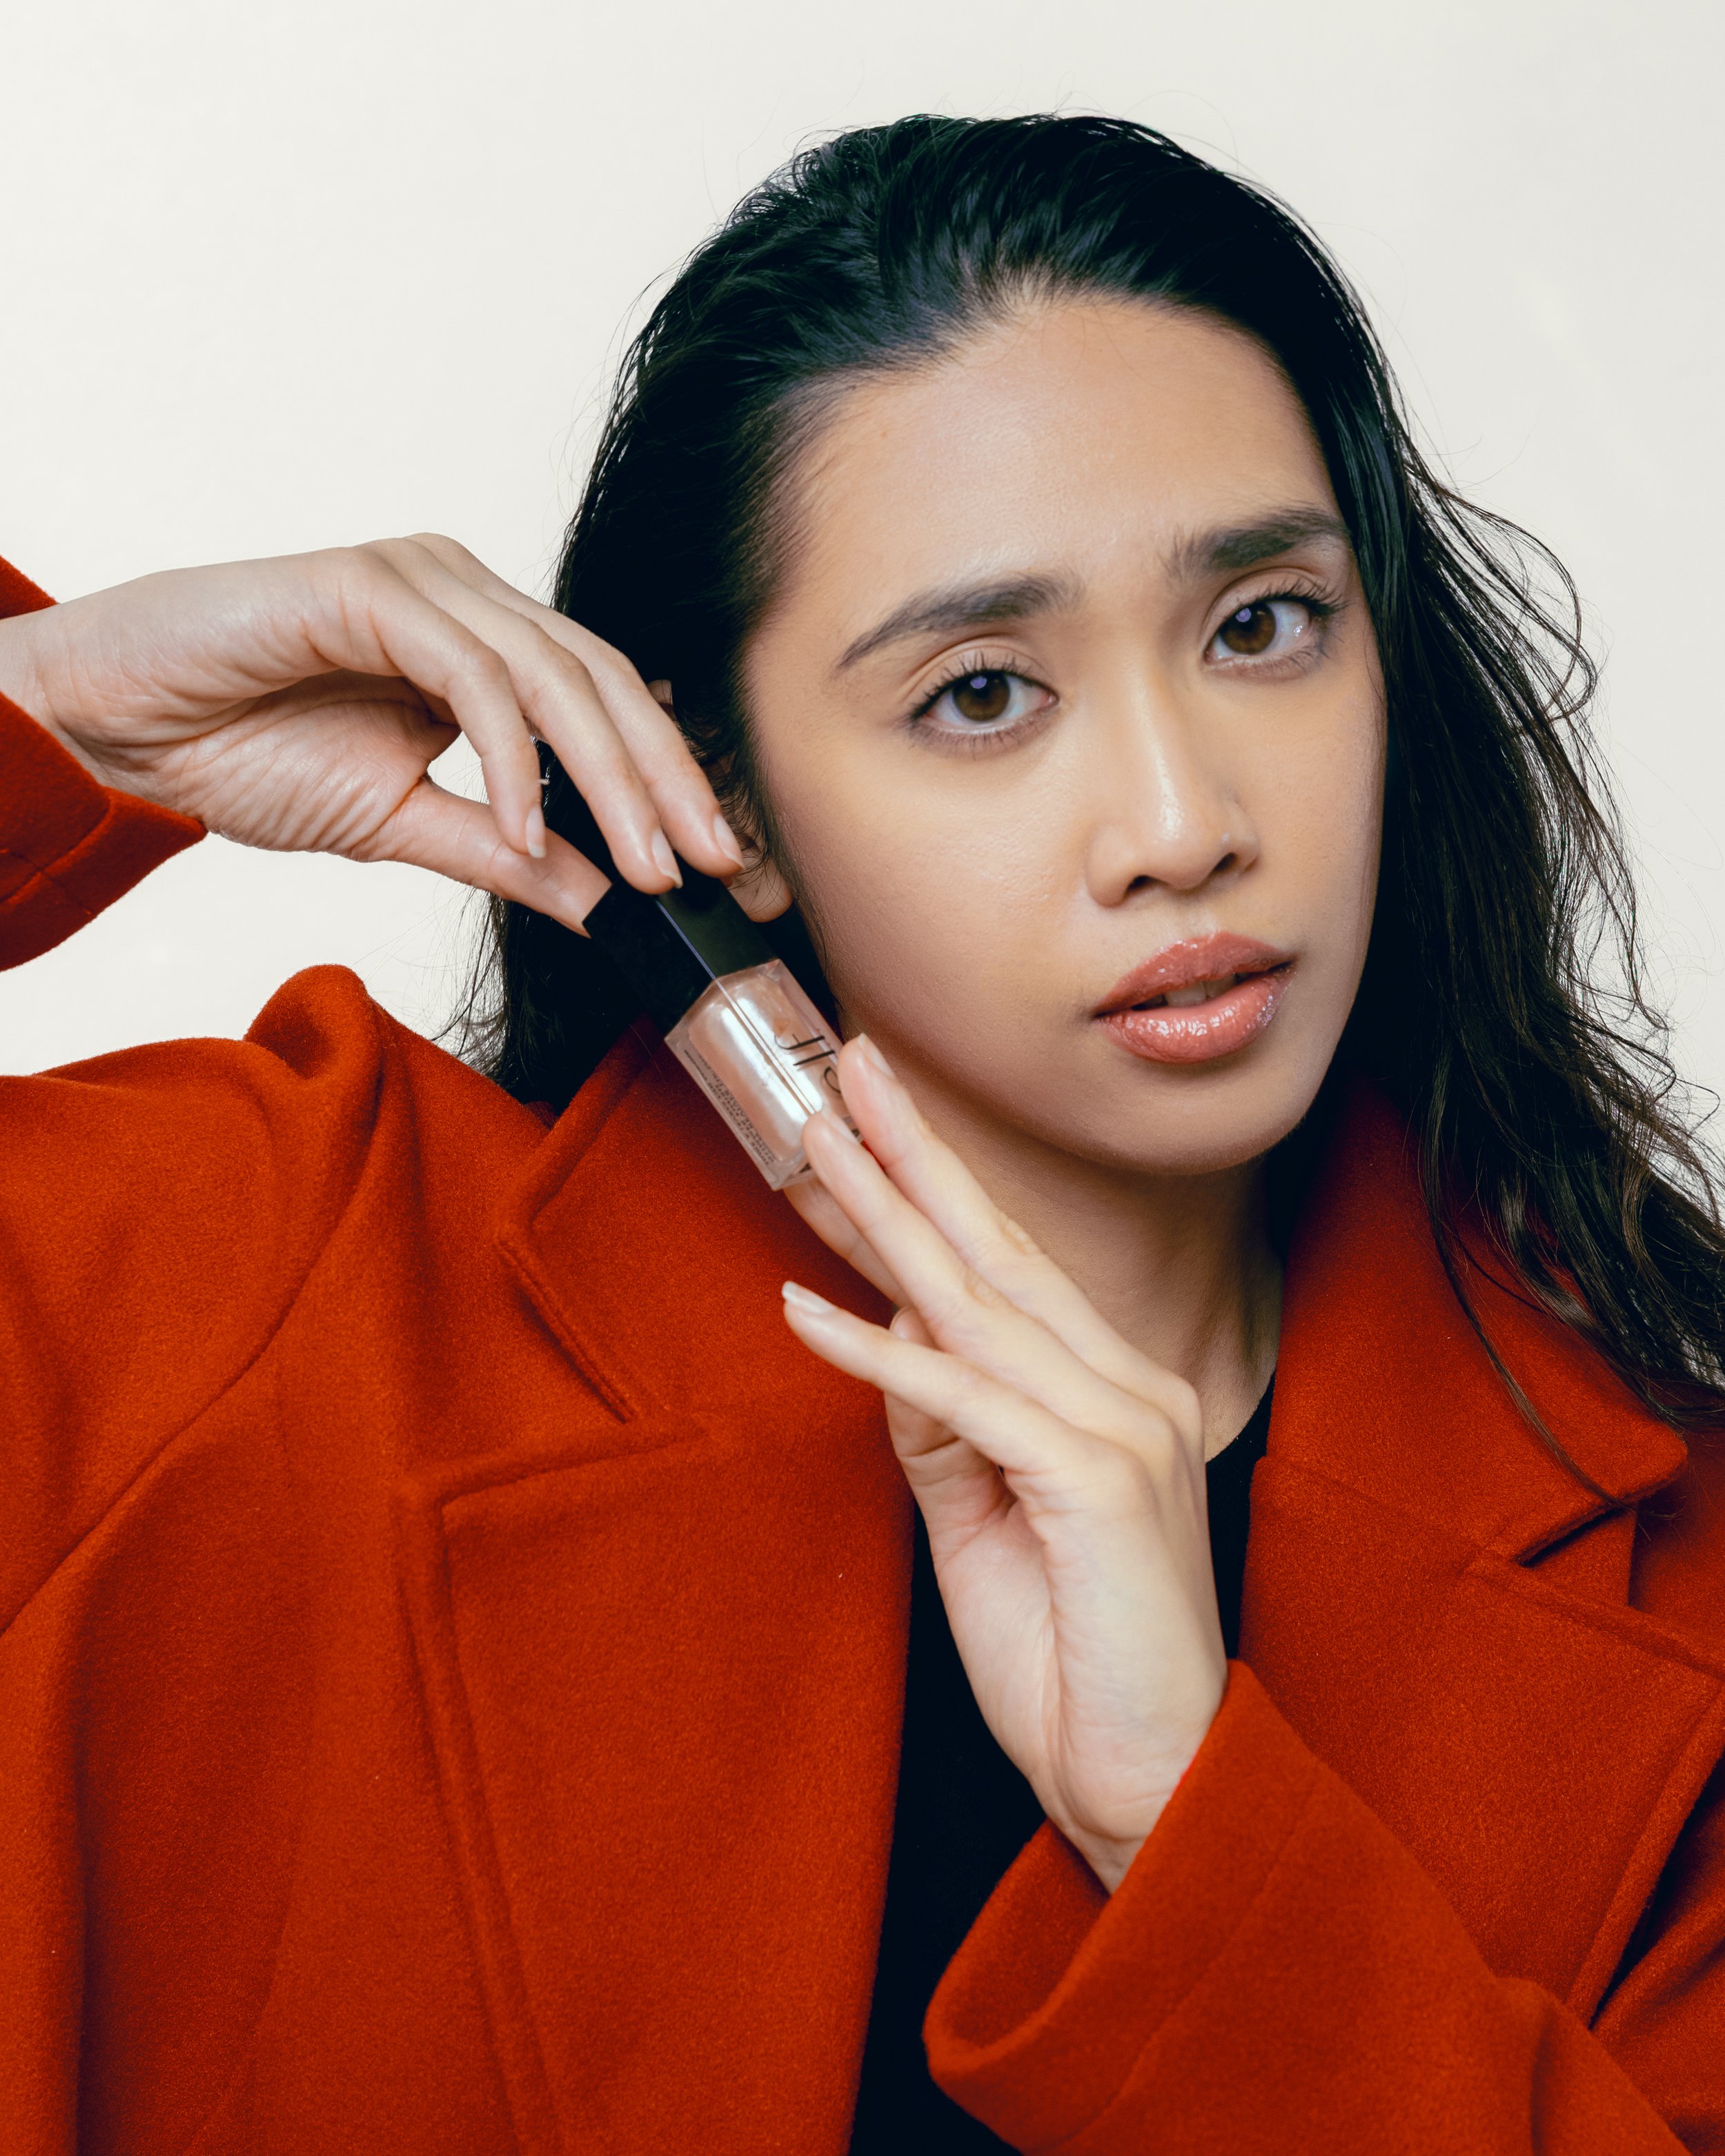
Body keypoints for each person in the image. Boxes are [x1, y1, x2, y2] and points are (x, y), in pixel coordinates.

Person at [1, 112, 1722, 2155]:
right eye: (982, 691)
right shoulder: (246, 1289)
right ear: (709, 776)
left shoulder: (1670, 1568)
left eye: (1261, 623)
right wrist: (55, 719)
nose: (1185, 823)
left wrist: (1188, 1831)